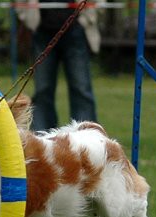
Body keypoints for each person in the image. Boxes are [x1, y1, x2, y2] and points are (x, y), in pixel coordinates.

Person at [18, 0, 101, 131]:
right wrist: (26, 15)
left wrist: (86, 18)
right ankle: (42, 137)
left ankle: (88, 136)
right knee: (42, 90)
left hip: (76, 29)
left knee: (81, 88)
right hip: (42, 31)